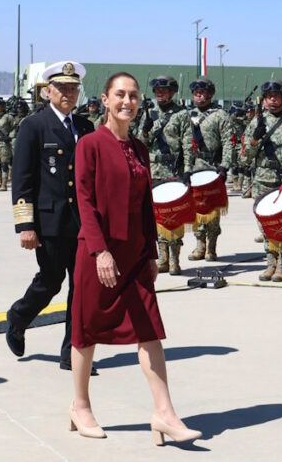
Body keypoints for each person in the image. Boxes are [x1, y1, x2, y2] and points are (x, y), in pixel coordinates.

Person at [68, 72, 201, 445]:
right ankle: (80, 406)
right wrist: (100, 251)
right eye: (120, 95)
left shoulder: (140, 148)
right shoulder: (90, 145)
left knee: (150, 332)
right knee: (87, 332)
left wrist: (152, 253)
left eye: (133, 95)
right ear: (105, 100)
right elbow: (85, 202)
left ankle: (164, 413)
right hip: (99, 254)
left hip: (135, 255)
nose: (127, 101)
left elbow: (146, 206)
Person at [5, 61, 97, 374]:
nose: (68, 93)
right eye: (62, 88)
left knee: (82, 289)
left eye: (73, 88)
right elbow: (22, 179)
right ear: (48, 92)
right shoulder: (34, 126)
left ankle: (73, 353)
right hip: (50, 223)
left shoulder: (86, 127)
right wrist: (26, 225)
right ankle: (18, 317)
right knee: (50, 282)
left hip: (83, 223)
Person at [242, 81, 282, 280]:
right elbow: (245, 156)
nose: (273, 100)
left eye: (276, 96)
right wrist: (254, 139)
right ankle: (270, 264)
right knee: (266, 226)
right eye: (269, 96)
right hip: (262, 179)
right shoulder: (256, 122)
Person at [138, 75, 191, 274]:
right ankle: (162, 257)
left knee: (173, 216)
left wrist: (187, 171)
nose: (160, 94)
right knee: (157, 217)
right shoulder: (148, 113)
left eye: (164, 91)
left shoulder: (181, 114)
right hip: (153, 171)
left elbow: (187, 143)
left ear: (172, 92)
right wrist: (144, 131)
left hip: (172, 170)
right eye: (157, 91)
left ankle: (175, 259)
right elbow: (141, 144)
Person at [183, 76, 233, 261]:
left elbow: (229, 142)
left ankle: (211, 247)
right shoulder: (186, 115)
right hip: (193, 167)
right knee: (196, 209)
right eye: (196, 93)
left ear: (211, 95)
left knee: (212, 210)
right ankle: (199, 245)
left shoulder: (220, 115)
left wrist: (224, 166)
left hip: (212, 167)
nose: (199, 96)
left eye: (203, 93)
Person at [0, 97, 17, 191]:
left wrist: (10, 136)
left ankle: (4, 184)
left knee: (4, 165)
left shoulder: (8, 117)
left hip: (4, 143)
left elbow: (15, 127)